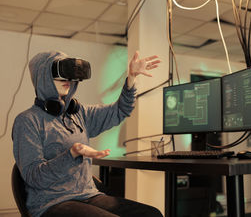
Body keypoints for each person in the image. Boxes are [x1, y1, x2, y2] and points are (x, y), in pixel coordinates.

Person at [12, 50, 163, 217]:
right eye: (61, 74)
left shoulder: (78, 113)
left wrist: (131, 78)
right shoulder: (27, 121)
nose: (68, 80)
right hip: (51, 202)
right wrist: (72, 154)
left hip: (88, 195)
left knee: (151, 214)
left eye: (69, 75)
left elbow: (120, 110)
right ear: (43, 77)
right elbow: (34, 177)